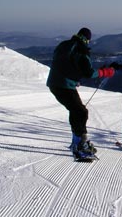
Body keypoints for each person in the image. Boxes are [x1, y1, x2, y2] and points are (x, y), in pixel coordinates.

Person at [47, 27, 115, 160]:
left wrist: (73, 77)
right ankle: (80, 145)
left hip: (54, 83)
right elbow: (89, 72)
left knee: (75, 110)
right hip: (64, 85)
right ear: (87, 39)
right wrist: (105, 72)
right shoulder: (81, 49)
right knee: (81, 112)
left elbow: (63, 63)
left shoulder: (64, 45)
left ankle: (76, 141)